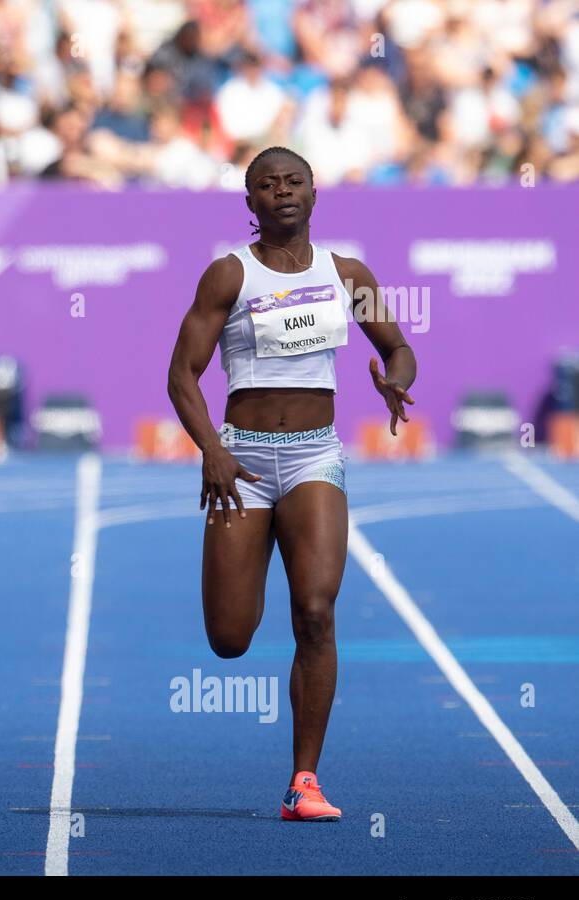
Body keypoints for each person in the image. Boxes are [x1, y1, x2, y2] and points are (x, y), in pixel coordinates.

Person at [166, 146, 417, 821]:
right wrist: (212, 450)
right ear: (249, 202)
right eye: (267, 185)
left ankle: (304, 780)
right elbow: (181, 375)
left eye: (294, 181)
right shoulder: (228, 275)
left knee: (315, 610)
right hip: (242, 460)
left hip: (315, 458)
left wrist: (396, 380)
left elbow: (397, 345)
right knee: (229, 637)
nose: (283, 192)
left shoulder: (348, 273)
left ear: (314, 192)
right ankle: (295, 765)